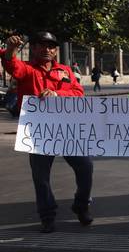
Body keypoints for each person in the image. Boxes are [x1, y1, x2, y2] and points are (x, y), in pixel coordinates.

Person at [3, 32, 94, 233]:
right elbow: (11, 65)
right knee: (41, 177)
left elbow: (78, 93)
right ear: (33, 48)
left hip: (67, 130)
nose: (47, 49)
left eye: (51, 46)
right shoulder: (26, 70)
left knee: (85, 167)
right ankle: (47, 216)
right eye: (41, 45)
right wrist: (10, 50)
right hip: (39, 133)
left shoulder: (66, 71)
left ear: (56, 50)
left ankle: (81, 206)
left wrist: (57, 94)